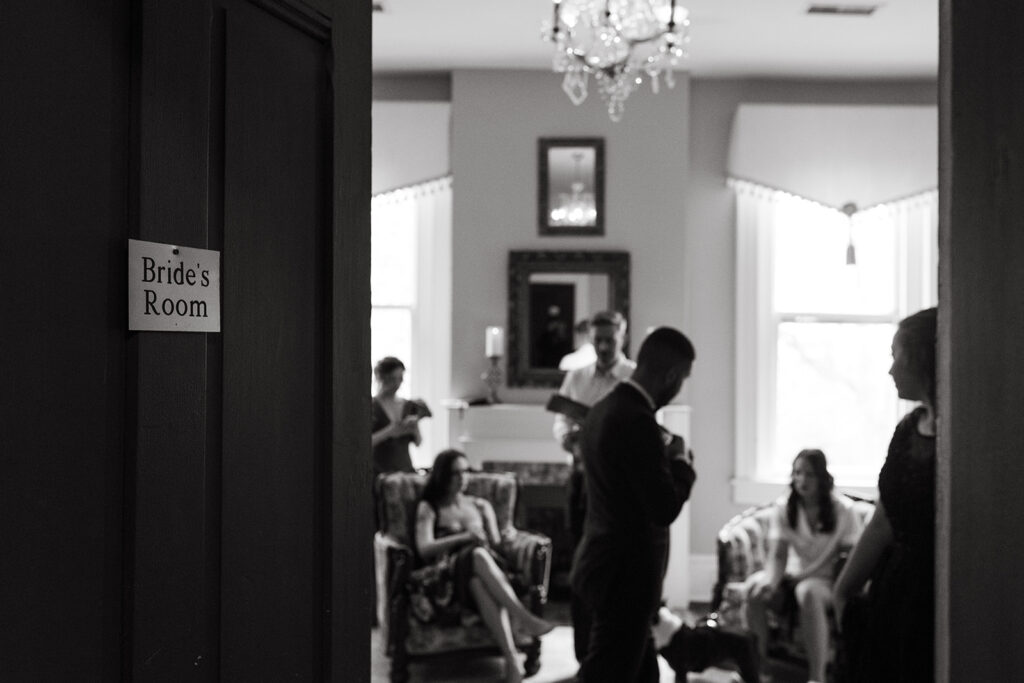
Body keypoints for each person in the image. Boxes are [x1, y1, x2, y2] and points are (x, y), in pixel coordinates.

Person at [571, 326, 697, 682]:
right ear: (671, 375)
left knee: (642, 673)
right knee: (604, 675)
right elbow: (664, 508)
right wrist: (681, 462)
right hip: (625, 577)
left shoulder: (601, 409)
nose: (678, 389)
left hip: (598, 560)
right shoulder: (638, 422)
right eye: (682, 379)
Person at [832, 307, 937, 683]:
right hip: (896, 589)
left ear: (925, 361)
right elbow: (885, 515)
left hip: (937, 592)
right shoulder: (909, 428)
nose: (891, 370)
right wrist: (846, 586)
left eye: (898, 358)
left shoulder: (963, 439)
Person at [414, 449, 555, 683]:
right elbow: (424, 547)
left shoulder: (479, 505)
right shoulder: (430, 507)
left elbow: (497, 545)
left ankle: (511, 662)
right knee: (475, 554)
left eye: (465, 472)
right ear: (442, 476)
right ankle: (523, 616)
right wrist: (463, 538)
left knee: (478, 581)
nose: (462, 478)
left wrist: (485, 536)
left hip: (481, 572)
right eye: (455, 473)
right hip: (448, 576)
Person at [551, 310, 635, 664]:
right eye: (597, 340)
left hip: (618, 487)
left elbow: (643, 428)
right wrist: (569, 437)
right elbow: (559, 424)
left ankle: (613, 650)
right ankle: (583, 654)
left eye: (609, 340)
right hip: (581, 481)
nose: (602, 346)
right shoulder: (576, 376)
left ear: (622, 338)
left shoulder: (633, 376)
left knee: (615, 568)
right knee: (581, 565)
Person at [744, 449, 863, 683]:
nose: (802, 480)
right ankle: (760, 667)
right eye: (797, 473)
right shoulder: (784, 508)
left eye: (809, 474)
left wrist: (808, 578)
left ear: (822, 477)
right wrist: (771, 581)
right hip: (795, 574)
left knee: (807, 592)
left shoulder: (844, 511)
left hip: (830, 578)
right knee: (754, 589)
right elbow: (778, 557)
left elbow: (848, 558)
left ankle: (817, 677)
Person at [371, 356, 427, 478]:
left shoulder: (408, 405)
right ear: (381, 378)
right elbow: (363, 443)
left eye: (400, 379)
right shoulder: (371, 406)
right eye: (392, 379)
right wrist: (389, 432)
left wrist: (415, 428)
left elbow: (418, 442)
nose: (396, 384)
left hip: (405, 470)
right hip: (380, 473)